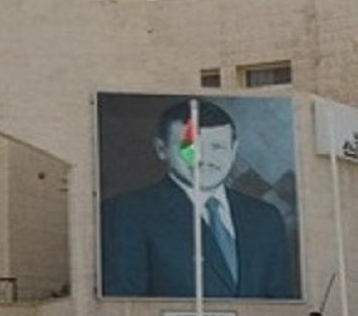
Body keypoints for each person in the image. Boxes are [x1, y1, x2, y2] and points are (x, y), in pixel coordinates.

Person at [101, 99, 292, 298]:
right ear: (161, 149)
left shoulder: (265, 218)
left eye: (217, 147)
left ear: (234, 149)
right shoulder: (126, 214)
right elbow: (125, 308)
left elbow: (280, 303)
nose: (204, 158)